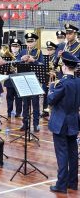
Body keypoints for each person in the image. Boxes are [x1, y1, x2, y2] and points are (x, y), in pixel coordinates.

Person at [48, 51, 80, 194]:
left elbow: (51, 100)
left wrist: (50, 89)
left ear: (65, 67)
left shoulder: (62, 83)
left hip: (61, 123)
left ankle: (61, 185)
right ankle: (72, 183)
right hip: (74, 121)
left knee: (62, 154)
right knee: (73, 153)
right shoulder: (78, 82)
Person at [18, 33, 44, 132]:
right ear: (26, 42)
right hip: (24, 80)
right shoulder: (23, 51)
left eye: (31, 41)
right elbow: (16, 62)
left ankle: (36, 124)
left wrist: (34, 61)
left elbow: (42, 65)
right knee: (25, 104)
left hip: (34, 81)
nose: (29, 43)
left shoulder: (38, 52)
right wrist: (21, 59)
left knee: (35, 103)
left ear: (35, 42)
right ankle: (25, 123)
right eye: (28, 41)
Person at [4, 38, 22, 119]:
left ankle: (18, 112)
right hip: (9, 79)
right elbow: (3, 68)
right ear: (10, 47)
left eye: (16, 46)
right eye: (13, 46)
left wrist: (17, 69)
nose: (14, 48)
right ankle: (9, 111)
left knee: (18, 97)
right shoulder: (7, 56)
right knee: (9, 97)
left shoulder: (21, 56)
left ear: (19, 47)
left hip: (18, 79)